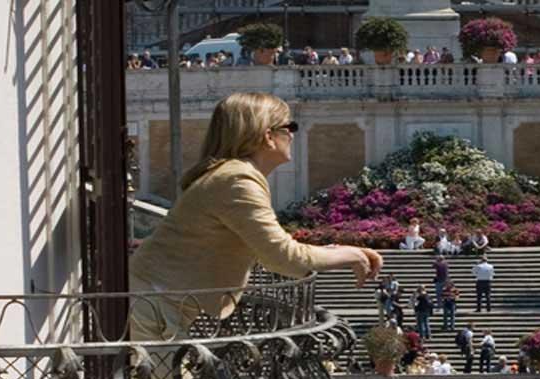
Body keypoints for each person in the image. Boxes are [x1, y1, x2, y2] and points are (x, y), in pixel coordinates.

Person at [129, 93, 381, 340]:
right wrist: (350, 255)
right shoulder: (237, 180)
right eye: (289, 126)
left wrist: (335, 250)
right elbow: (283, 258)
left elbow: (273, 247)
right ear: (268, 136)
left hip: (155, 303)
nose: (293, 135)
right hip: (154, 308)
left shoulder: (230, 175)